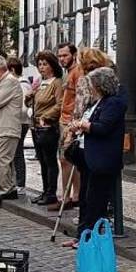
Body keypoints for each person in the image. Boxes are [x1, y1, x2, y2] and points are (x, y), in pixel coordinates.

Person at [66, 66, 126, 241]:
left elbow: (104, 128)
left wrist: (84, 125)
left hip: (101, 159)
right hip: (87, 158)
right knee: (85, 199)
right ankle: (81, 235)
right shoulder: (96, 102)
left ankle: (90, 237)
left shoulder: (113, 103)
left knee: (95, 201)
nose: (90, 87)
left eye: (92, 83)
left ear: (100, 85)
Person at [0, 56, 26, 200]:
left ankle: (7, 189)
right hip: (0, 127)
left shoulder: (10, 82)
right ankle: (7, 187)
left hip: (7, 127)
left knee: (2, 159)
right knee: (2, 159)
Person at [29, 51, 64, 206]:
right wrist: (30, 95)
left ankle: (51, 193)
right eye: (40, 64)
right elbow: (32, 103)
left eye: (45, 64)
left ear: (52, 66)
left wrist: (47, 116)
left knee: (49, 161)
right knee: (42, 161)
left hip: (48, 126)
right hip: (36, 126)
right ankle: (44, 190)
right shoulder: (40, 82)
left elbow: (59, 104)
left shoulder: (56, 83)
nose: (42, 68)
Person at [56, 43, 81, 209]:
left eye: (65, 55)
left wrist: (73, 122)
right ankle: (69, 195)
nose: (62, 59)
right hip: (63, 120)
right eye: (59, 56)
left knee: (67, 159)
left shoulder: (77, 72)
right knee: (65, 160)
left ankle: (72, 196)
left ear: (74, 54)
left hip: (70, 121)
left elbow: (79, 98)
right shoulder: (67, 73)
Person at [7, 57, 32, 195]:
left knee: (17, 152)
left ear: (12, 69)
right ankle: (13, 181)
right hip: (15, 121)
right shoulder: (17, 83)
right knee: (13, 152)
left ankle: (20, 182)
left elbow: (23, 106)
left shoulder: (21, 83)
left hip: (20, 122)